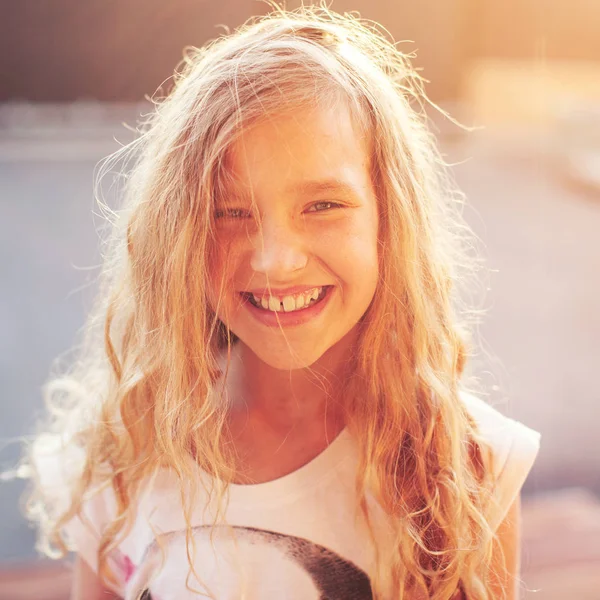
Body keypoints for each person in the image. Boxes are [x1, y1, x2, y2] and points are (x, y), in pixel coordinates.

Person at [22, 3, 540, 599]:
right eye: (228, 212)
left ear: (388, 221)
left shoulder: (465, 467)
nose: (275, 260)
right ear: (179, 237)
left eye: (323, 205)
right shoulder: (126, 452)